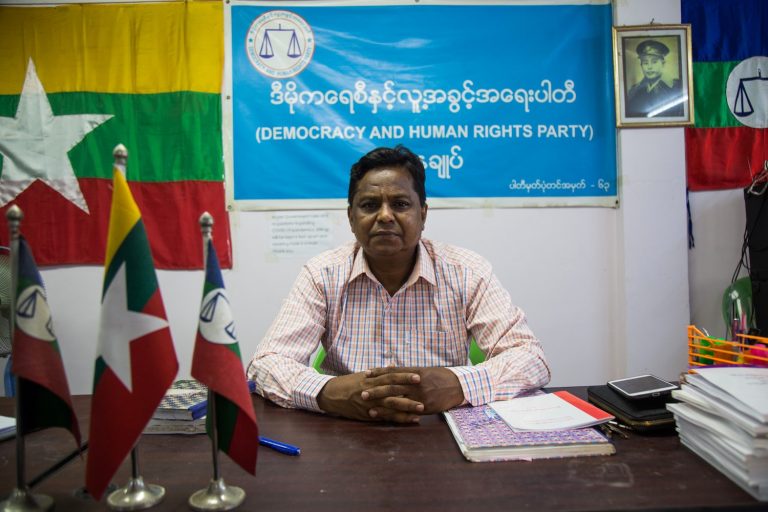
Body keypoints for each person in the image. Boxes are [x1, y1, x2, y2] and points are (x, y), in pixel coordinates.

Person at [247, 145, 550, 423]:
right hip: (346, 429)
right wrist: (330, 392)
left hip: (444, 429)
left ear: (423, 214)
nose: (385, 216)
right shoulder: (322, 274)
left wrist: (459, 384)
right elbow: (266, 364)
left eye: (400, 203)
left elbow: (530, 357)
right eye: (369, 205)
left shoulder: (467, 272)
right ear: (351, 218)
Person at [625, 39, 684, 118]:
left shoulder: (678, 88)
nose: (649, 67)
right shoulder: (633, 91)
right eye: (645, 63)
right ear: (641, 65)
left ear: (663, 63)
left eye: (654, 62)